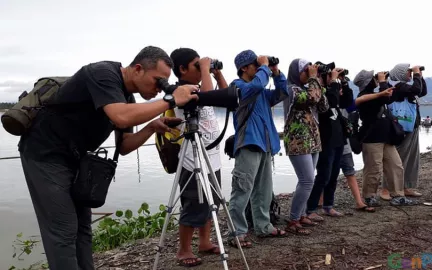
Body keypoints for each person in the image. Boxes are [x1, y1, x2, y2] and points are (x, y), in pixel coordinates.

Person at [17, 46, 199, 270]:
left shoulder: (127, 97)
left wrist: (151, 128)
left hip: (76, 159)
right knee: (63, 230)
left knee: (83, 229)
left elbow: (124, 145)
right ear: (138, 69)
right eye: (158, 80)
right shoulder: (102, 73)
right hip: (45, 154)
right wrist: (172, 100)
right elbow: (120, 117)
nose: (159, 89)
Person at [169, 48, 228, 267]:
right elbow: (208, 98)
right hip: (193, 160)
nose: (200, 68)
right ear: (182, 69)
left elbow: (225, 96)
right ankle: (183, 249)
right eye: (195, 65)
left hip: (211, 158)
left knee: (211, 204)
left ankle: (204, 241)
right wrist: (205, 67)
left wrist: (217, 73)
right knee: (193, 205)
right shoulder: (180, 90)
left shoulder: (202, 87)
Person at [228, 49, 288, 248]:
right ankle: (236, 232)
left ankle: (263, 226)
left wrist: (276, 72)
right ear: (244, 68)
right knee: (242, 189)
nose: (260, 67)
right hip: (248, 144)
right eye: (255, 64)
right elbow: (255, 86)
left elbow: (282, 93)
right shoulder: (237, 87)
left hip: (266, 144)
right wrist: (264, 68)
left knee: (263, 190)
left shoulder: (260, 90)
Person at [353, 70, 416, 207]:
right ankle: (369, 196)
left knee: (396, 165)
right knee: (373, 168)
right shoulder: (365, 96)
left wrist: (384, 82)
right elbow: (385, 98)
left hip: (387, 137)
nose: (376, 79)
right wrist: (382, 82)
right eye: (373, 78)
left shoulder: (378, 93)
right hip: (372, 138)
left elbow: (389, 96)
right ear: (368, 82)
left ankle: (398, 196)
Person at [283, 59, 329, 235]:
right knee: (307, 180)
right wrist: (313, 80)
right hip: (298, 141)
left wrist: (319, 81)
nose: (309, 74)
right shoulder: (291, 89)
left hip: (313, 140)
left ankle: (301, 215)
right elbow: (310, 98)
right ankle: (293, 219)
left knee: (305, 181)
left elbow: (324, 106)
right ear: (296, 72)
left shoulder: (310, 87)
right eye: (305, 71)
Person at [306, 63, 353, 220]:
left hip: (338, 138)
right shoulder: (318, 92)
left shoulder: (332, 89)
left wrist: (343, 81)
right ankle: (311, 208)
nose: (332, 78)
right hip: (325, 140)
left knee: (333, 175)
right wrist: (333, 82)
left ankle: (328, 206)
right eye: (329, 75)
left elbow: (347, 101)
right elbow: (330, 103)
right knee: (323, 175)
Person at [380, 64, 427, 200]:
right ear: (400, 73)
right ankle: (386, 189)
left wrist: (420, 76)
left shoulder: (407, 86)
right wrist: (417, 75)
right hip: (398, 128)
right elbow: (417, 90)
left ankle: (406, 186)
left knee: (411, 158)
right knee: (395, 159)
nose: (410, 74)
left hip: (411, 125)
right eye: (408, 72)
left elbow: (422, 92)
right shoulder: (396, 86)